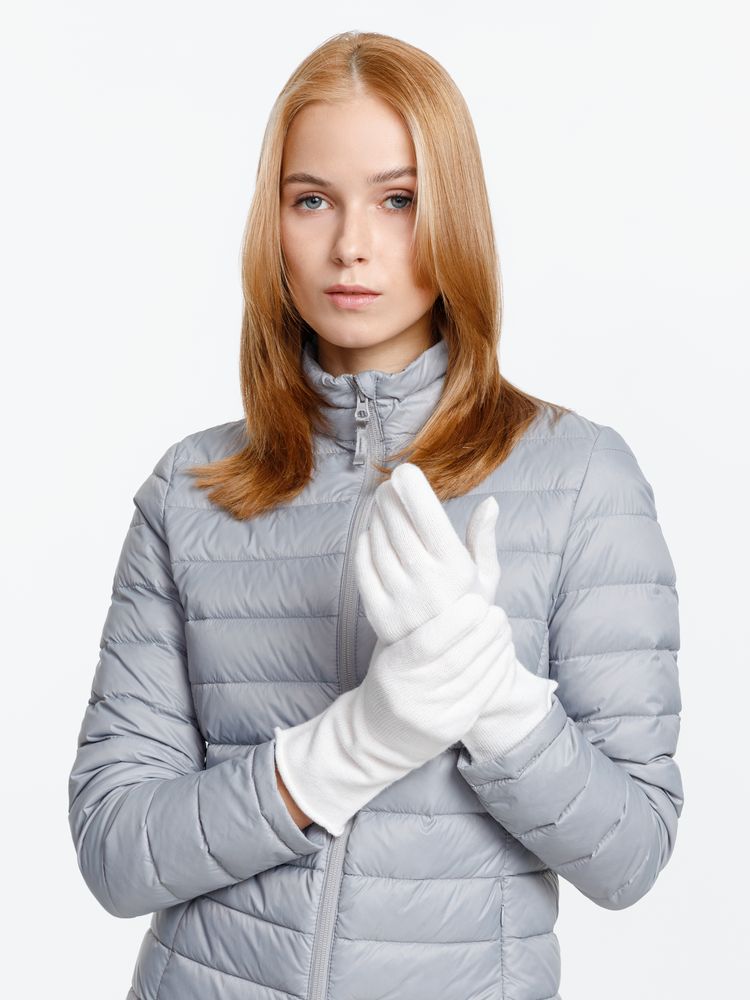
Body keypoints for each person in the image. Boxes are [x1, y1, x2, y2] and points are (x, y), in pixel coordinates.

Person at [68, 30, 684, 1000]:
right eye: (311, 199)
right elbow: (114, 849)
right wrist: (351, 747)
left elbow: (630, 855)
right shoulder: (191, 489)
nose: (351, 244)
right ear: (273, 221)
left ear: (454, 214)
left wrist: (500, 704)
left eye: (398, 200)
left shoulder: (581, 479)